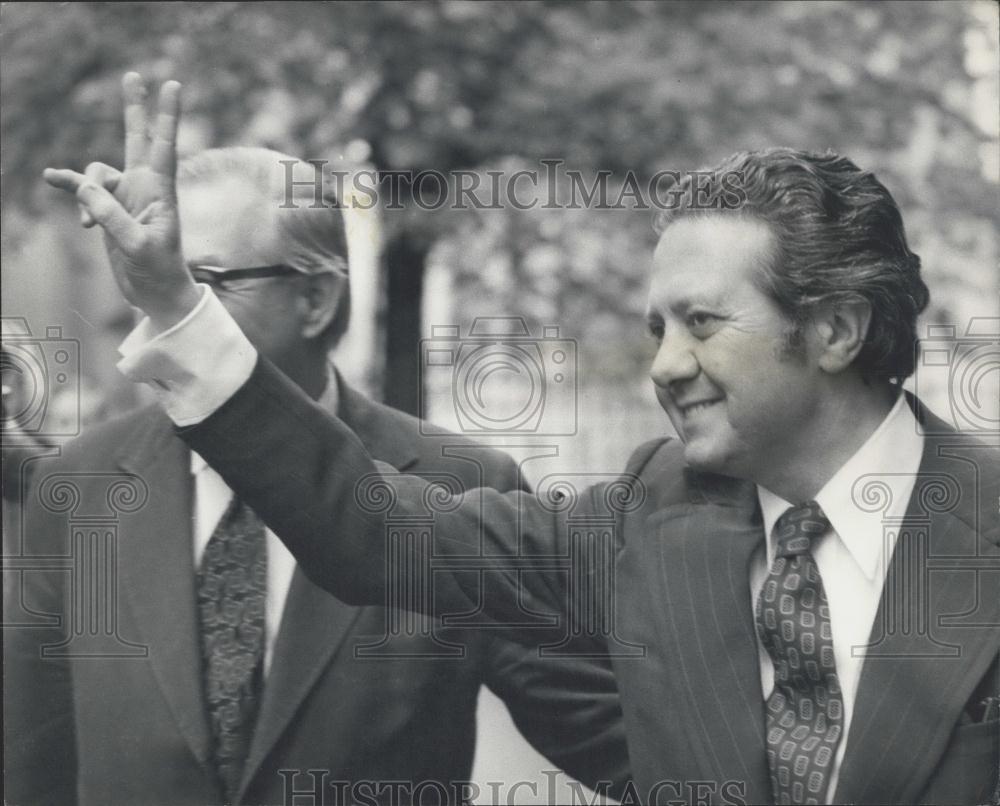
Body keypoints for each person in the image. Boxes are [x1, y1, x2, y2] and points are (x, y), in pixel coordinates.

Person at [46, 74, 998, 806]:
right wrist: (178, 307)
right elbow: (377, 530)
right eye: (655, 329)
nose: (663, 367)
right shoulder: (651, 512)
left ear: (834, 329)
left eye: (702, 324)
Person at [8, 137, 630, 806]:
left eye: (200, 284)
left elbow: (615, 737)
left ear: (316, 300)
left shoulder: (459, 485)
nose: (166, 314)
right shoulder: (79, 487)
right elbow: (30, 765)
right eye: (150, 280)